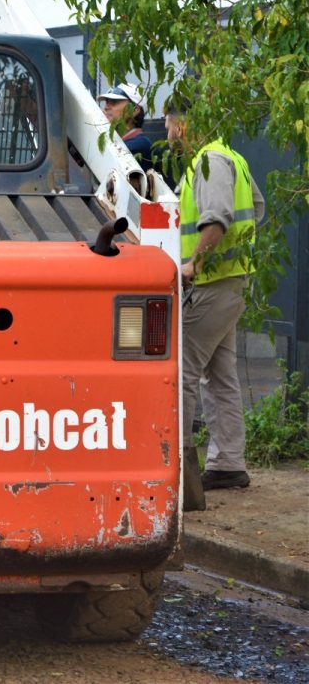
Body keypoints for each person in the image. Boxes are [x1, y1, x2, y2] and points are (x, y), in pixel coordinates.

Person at [165, 96, 265, 507]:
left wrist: (192, 263)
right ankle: (228, 463)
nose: (168, 132)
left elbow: (217, 217)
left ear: (184, 125)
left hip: (209, 284)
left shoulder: (209, 162)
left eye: (169, 124)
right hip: (230, 282)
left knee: (182, 373)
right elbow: (255, 208)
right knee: (220, 376)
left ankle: (179, 473)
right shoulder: (231, 158)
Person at [98, 83, 156, 174]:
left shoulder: (139, 145)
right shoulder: (121, 143)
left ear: (134, 110)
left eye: (114, 102)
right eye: (107, 102)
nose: (106, 107)